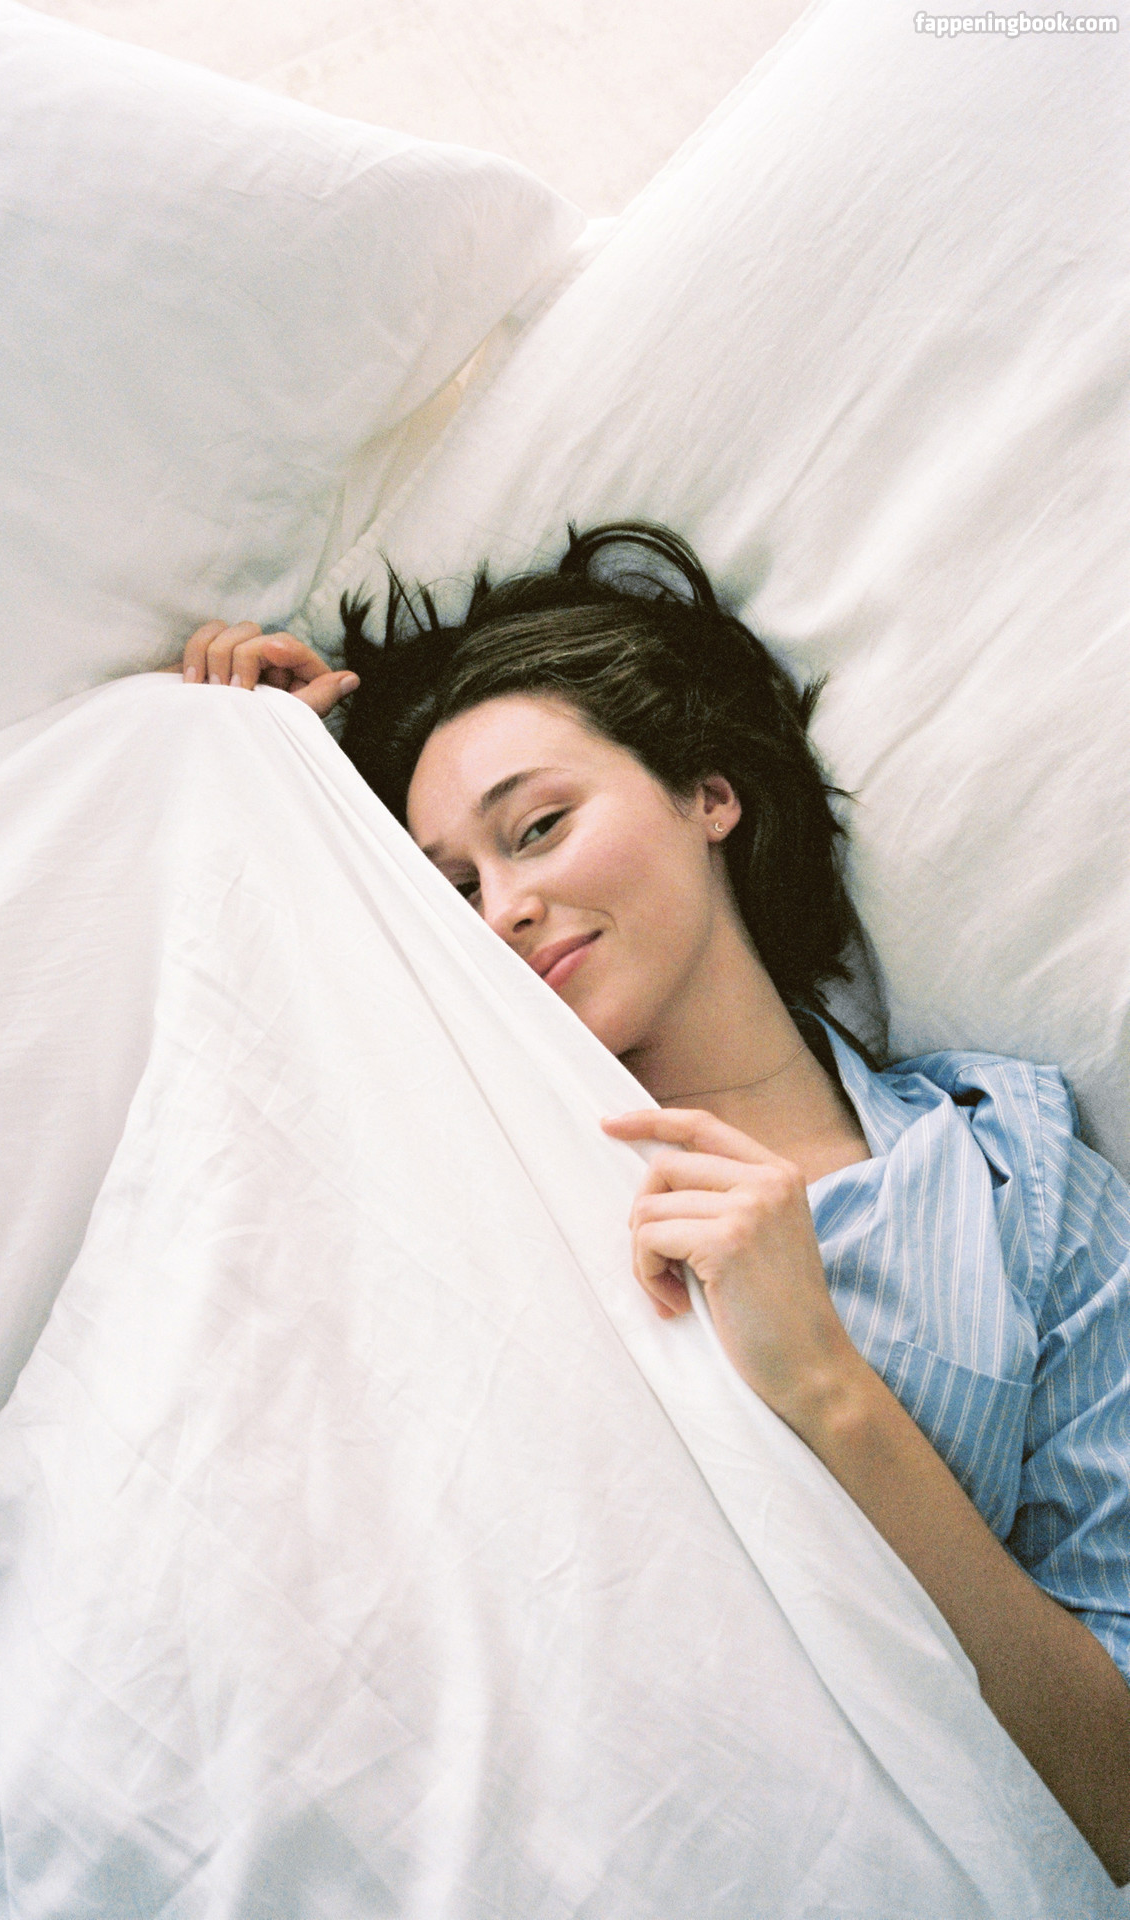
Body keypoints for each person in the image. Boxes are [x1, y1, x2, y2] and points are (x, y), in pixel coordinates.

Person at [170, 521, 1130, 1883]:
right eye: (455, 891)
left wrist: (824, 1386)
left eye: (539, 827)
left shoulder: (1011, 1182)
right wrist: (242, 775)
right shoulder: (453, 1153)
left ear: (707, 795)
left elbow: (1116, 1799)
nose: (504, 908)